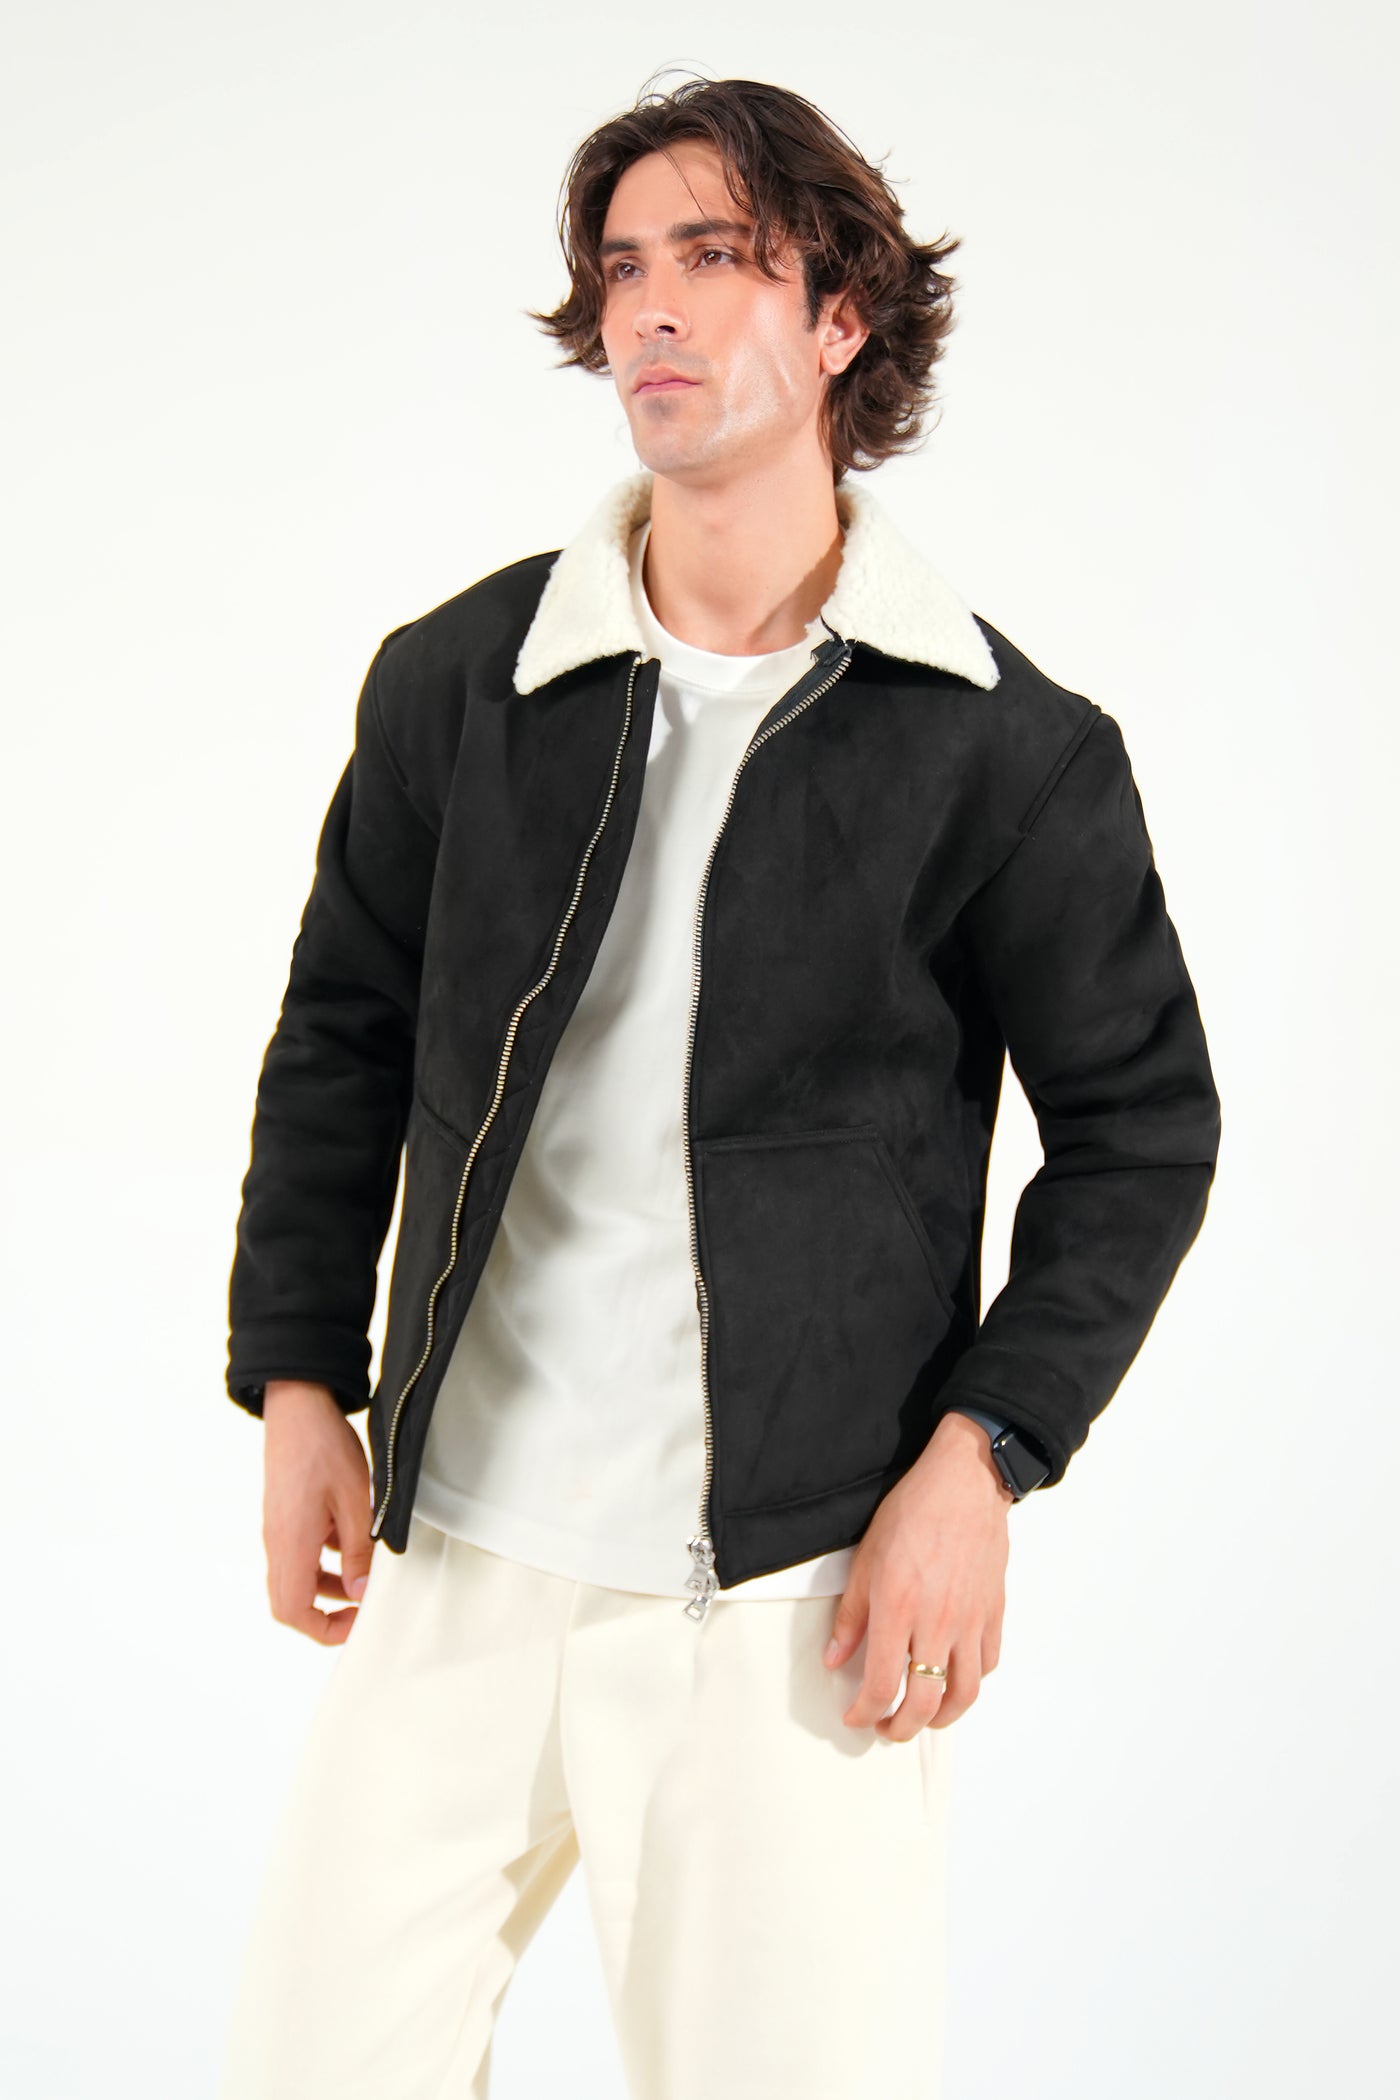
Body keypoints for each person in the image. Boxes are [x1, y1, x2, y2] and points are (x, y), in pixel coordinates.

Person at [218, 73, 1221, 2100]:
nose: (650, 310)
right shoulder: (464, 682)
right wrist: (301, 1373)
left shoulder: (1002, 749)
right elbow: (340, 1031)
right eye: (621, 270)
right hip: (458, 1551)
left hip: (784, 1594)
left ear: (841, 317)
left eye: (714, 259)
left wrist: (983, 1460)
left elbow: (1140, 1131)